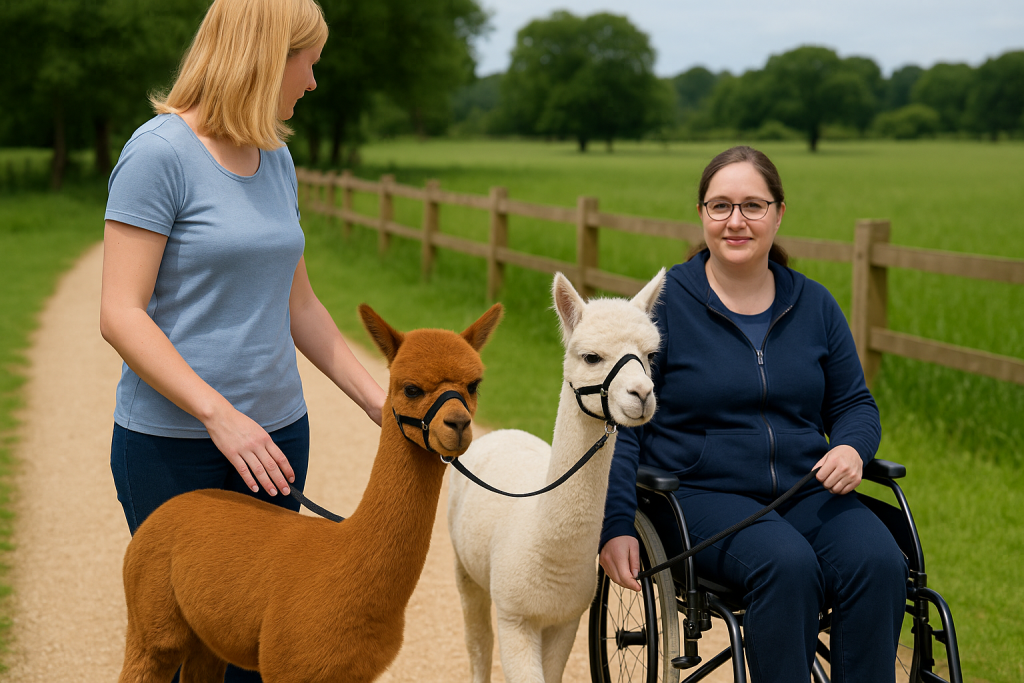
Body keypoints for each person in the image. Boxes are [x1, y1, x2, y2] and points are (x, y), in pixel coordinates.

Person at [100, 1, 386, 679]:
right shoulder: (157, 154)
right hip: (172, 448)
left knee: (260, 647)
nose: (312, 82)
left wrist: (381, 402)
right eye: (307, 63)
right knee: (176, 646)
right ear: (266, 57)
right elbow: (120, 312)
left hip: (278, 439)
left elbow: (301, 305)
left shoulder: (276, 158)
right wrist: (219, 415)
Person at [598, 146, 908, 682]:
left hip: (806, 488)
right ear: (701, 214)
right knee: (786, 566)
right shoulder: (661, 308)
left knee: (879, 563)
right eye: (720, 206)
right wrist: (615, 522)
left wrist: (853, 447)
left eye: (752, 206)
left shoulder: (814, 304)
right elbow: (624, 422)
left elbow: (855, 403)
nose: (735, 221)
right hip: (699, 495)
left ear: (778, 213)